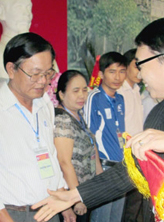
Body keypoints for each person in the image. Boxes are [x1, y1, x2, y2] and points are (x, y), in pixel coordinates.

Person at [32, 17, 164, 221]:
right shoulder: (160, 114)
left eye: (141, 65)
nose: (139, 75)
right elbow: (132, 171)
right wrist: (76, 195)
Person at [0, 32, 73, 222]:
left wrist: (62, 195)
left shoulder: (45, 103)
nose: (43, 81)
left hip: (49, 209)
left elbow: (50, 155)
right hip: (13, 213)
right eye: (34, 73)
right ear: (11, 69)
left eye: (48, 73)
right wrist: (4, 217)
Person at [83, 51, 127, 222]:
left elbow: (120, 133)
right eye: (112, 71)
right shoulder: (93, 97)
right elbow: (88, 134)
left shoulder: (121, 99)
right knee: (102, 218)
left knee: (116, 218)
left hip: (121, 166)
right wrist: (97, 168)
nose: (117, 77)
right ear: (101, 74)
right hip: (104, 166)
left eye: (122, 71)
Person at [54, 70, 102, 222]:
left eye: (84, 90)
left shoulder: (77, 115)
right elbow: (64, 162)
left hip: (85, 191)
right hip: (71, 195)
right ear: (61, 94)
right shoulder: (63, 120)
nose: (82, 95)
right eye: (76, 91)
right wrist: (77, 198)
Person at [117, 49, 143, 222]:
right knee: (123, 206)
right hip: (124, 155)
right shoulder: (119, 91)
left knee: (135, 204)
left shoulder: (137, 90)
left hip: (138, 154)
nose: (140, 71)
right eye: (136, 66)